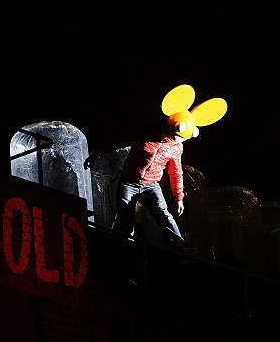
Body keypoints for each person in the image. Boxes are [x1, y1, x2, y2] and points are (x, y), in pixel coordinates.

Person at [84, 84, 227, 246]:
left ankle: (180, 247)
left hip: (151, 185)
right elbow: (120, 142)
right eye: (175, 135)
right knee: (126, 219)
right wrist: (96, 154)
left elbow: (176, 172)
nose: (176, 138)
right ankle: (124, 247)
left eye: (180, 137)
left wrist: (179, 198)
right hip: (129, 181)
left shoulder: (176, 147)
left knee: (164, 215)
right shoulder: (147, 134)